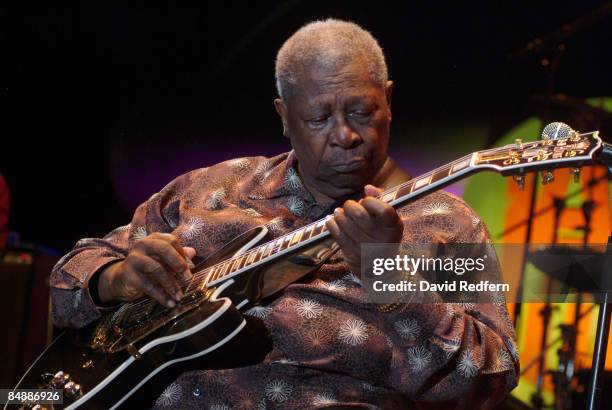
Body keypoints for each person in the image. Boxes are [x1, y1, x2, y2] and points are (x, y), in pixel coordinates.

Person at [51, 19, 518, 409]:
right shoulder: (209, 188)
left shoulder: (447, 223)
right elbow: (67, 283)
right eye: (319, 119)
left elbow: (490, 379)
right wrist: (115, 278)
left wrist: (388, 275)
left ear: (389, 102)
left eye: (361, 112)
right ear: (283, 116)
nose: (345, 136)